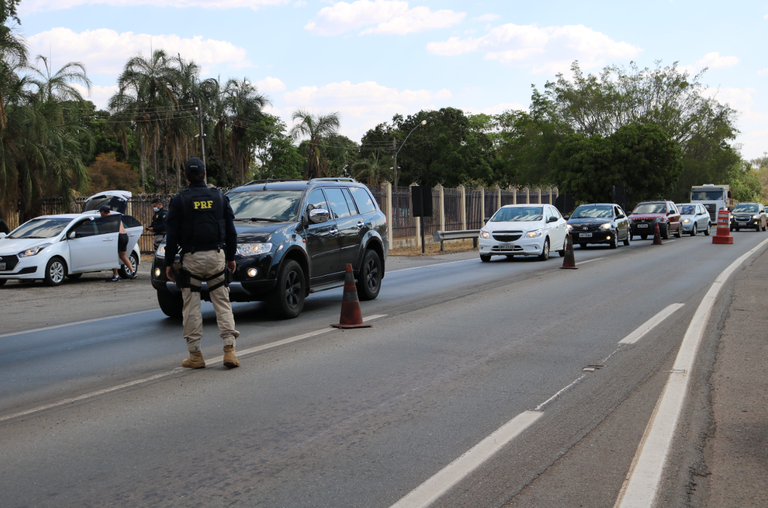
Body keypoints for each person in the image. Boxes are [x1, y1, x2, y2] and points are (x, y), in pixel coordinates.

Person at [164, 157, 240, 369]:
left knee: (191, 306)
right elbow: (231, 232)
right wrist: (231, 257)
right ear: (205, 175)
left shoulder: (180, 200)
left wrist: (169, 263)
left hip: (192, 259)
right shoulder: (220, 197)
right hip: (217, 256)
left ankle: (196, 356)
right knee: (222, 303)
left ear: (186, 177)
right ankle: (229, 351)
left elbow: (171, 235)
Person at [99, 205, 135, 282]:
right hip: (125, 236)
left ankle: (116, 276)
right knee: (123, 256)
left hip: (118, 237)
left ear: (102, 212)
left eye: (100, 212)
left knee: (113, 256)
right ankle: (132, 271)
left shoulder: (107, 218)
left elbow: (107, 229)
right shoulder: (116, 217)